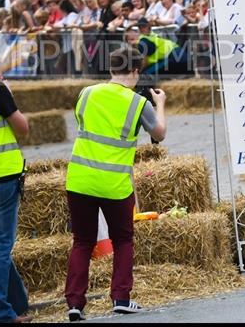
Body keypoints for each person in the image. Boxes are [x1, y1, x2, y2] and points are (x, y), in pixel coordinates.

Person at [64, 46, 167, 321]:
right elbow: (160, 133)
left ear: (111, 69)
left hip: (80, 178)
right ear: (135, 71)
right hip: (115, 183)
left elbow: (82, 122)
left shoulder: (87, 93)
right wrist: (161, 105)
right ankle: (121, 298)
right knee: (122, 240)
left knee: (82, 242)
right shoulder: (138, 103)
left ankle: (74, 304)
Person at [0, 41, 33, 324]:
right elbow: (22, 128)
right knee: (0, 247)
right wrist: (9, 97)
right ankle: (0, 313)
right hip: (0, 176)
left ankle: (17, 302)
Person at [125, 18, 190, 77]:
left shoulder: (142, 41)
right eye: (140, 27)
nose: (142, 29)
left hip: (175, 57)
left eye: (132, 39)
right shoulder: (148, 38)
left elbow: (145, 62)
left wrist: (138, 72)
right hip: (179, 57)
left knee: (145, 75)